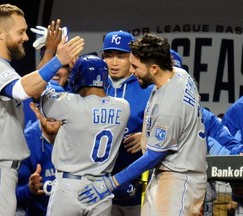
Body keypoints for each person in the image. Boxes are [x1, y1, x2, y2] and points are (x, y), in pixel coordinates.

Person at [0, 3, 84, 216]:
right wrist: (58, 60)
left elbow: (32, 88)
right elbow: (21, 90)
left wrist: (49, 51)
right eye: (20, 31)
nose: (26, 38)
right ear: (0, 33)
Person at [78, 33, 208, 216]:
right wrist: (147, 136)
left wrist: (112, 182)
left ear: (154, 68)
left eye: (135, 66)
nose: (132, 71)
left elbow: (153, 156)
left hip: (179, 179)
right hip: (170, 174)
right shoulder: (180, 75)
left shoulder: (169, 107)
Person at [39, 55, 130, 216]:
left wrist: (52, 54)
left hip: (69, 187)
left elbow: (40, 88)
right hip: (101, 190)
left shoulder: (70, 103)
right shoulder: (123, 107)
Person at [101, 30, 153, 216]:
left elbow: (171, 129)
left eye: (121, 56)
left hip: (138, 183)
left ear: (132, 58)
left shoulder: (148, 87)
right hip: (98, 184)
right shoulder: (94, 86)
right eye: (109, 56)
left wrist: (147, 137)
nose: (114, 63)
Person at [16, 82, 65, 216]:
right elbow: (12, 197)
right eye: (46, 106)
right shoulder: (24, 143)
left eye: (57, 106)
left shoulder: (77, 138)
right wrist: (29, 190)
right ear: (35, 109)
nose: (52, 113)